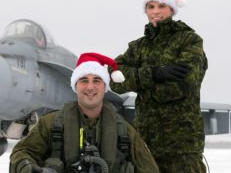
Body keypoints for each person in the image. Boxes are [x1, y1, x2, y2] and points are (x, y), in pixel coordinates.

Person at [110, 0, 208, 173]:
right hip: (145, 143)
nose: (155, 11)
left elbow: (184, 85)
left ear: (171, 9)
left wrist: (138, 83)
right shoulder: (137, 47)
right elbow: (114, 78)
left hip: (181, 146)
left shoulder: (189, 41)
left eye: (162, 6)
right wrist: (156, 73)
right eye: (150, 6)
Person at [10, 52, 159, 173]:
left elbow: (149, 168)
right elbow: (21, 152)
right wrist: (25, 166)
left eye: (96, 81)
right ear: (75, 85)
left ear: (104, 87)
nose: (90, 87)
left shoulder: (124, 131)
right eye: (83, 80)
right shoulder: (50, 124)